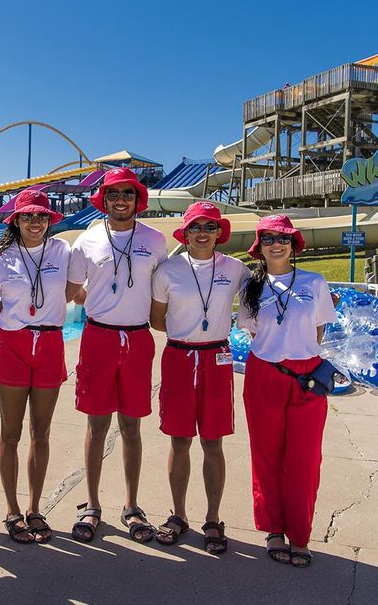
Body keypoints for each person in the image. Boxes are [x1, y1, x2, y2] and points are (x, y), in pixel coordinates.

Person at [66, 167, 168, 544]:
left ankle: (131, 505)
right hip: (98, 338)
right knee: (96, 426)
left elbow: (168, 287)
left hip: (138, 339)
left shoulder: (155, 241)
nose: (121, 199)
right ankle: (92, 504)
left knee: (131, 426)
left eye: (127, 192)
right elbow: (72, 291)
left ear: (137, 198)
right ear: (103, 199)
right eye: (113, 193)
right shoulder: (87, 241)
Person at [237, 214, 337, 568]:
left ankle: (300, 534)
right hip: (265, 373)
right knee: (266, 456)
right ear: (260, 247)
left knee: (305, 460)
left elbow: (320, 327)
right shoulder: (251, 286)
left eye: (283, 238)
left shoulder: (315, 282)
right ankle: (273, 529)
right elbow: (252, 332)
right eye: (268, 239)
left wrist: (300, 352)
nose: (276, 244)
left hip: (307, 376)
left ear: (293, 245)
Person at [149, 202, 249, 554]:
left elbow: (263, 300)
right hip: (178, 357)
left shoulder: (236, 269)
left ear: (219, 233)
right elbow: (157, 319)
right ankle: (178, 515)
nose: (203, 233)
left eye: (210, 227)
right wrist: (186, 333)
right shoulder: (168, 270)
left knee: (213, 442)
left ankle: (212, 518)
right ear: (186, 233)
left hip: (217, 359)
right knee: (179, 440)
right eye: (196, 227)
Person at [0, 189, 75, 545]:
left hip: (50, 344)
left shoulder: (63, 251)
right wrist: (18, 318)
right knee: (10, 432)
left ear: (50, 219)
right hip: (14, 345)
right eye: (28, 216)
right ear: (16, 220)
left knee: (41, 432)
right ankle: (11, 509)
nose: (35, 222)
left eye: (41, 216)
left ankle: (35, 508)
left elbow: (73, 292)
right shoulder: (0, 258)